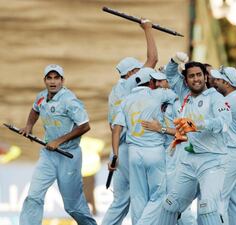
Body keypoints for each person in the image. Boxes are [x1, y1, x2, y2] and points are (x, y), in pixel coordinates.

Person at [19, 64, 97, 225]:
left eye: (56, 78)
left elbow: (85, 126)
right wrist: (28, 126)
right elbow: (35, 110)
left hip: (68, 156)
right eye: (49, 78)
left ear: (62, 80)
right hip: (48, 155)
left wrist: (59, 141)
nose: (53, 82)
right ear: (45, 80)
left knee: (72, 206)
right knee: (33, 196)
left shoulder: (69, 100)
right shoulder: (41, 96)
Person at [158, 60, 232, 225]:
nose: (196, 79)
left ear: (206, 77)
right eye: (191, 76)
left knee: (207, 207)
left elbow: (224, 121)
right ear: (186, 80)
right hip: (190, 161)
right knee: (169, 205)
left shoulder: (215, 97)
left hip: (213, 161)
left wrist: (197, 125)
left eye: (199, 75)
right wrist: (174, 61)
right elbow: (170, 74)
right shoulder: (185, 95)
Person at [102, 18, 158, 225]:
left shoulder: (116, 91)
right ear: (132, 73)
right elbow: (152, 59)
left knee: (120, 201)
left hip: (119, 150)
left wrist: (115, 154)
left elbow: (112, 126)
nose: (145, 74)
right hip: (131, 148)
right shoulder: (128, 85)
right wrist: (148, 30)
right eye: (139, 71)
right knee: (139, 195)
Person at [110, 68, 177, 225]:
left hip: (134, 153)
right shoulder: (159, 94)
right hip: (154, 151)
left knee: (138, 196)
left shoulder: (126, 100)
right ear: (152, 82)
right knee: (159, 196)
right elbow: (177, 91)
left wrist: (115, 155)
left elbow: (116, 129)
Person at [141, 71, 197, 225]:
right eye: (155, 81)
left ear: (170, 82)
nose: (158, 85)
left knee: (177, 201)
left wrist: (161, 129)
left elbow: (188, 131)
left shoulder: (180, 103)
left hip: (180, 154)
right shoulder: (164, 101)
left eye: (161, 81)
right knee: (167, 200)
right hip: (168, 154)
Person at [211, 66, 236, 225]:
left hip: (228, 154)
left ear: (226, 83)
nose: (214, 82)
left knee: (220, 198)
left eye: (218, 80)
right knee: (235, 200)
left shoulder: (228, 100)